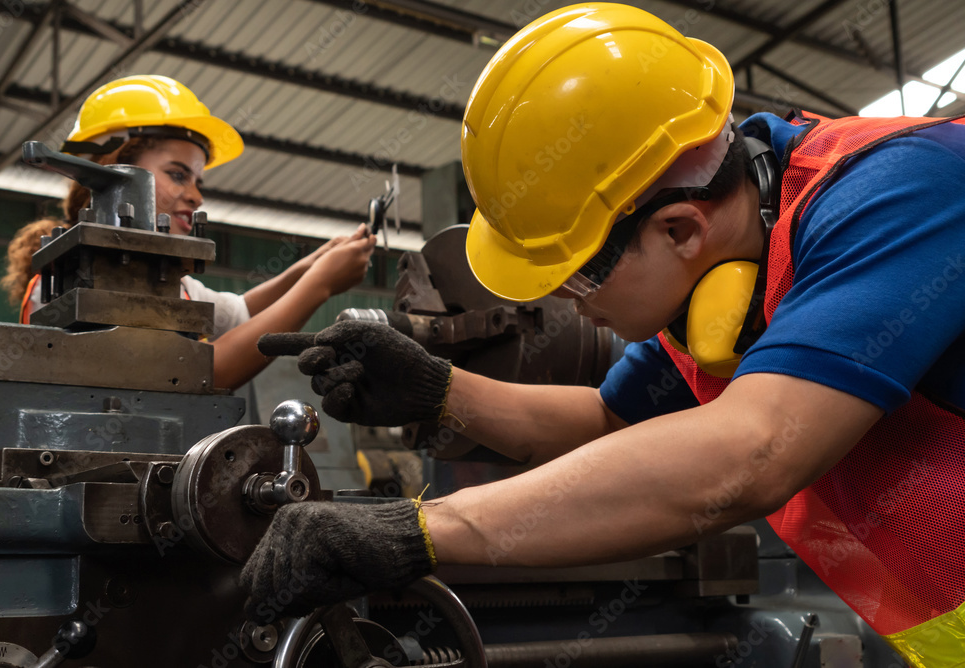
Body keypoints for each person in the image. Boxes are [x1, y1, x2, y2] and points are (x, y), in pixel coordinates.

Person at [240, 5, 965, 666]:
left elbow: (755, 451)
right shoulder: (719, 279)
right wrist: (436, 390)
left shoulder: (901, 194)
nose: (562, 302)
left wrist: (419, 530)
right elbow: (606, 420)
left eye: (572, 276)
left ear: (680, 228)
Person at [0, 74, 376, 391]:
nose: (196, 196)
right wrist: (320, 285)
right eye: (178, 175)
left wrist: (313, 264)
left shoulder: (166, 282)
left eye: (197, 180)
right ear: (114, 169)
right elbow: (198, 376)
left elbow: (242, 312)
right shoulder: (68, 280)